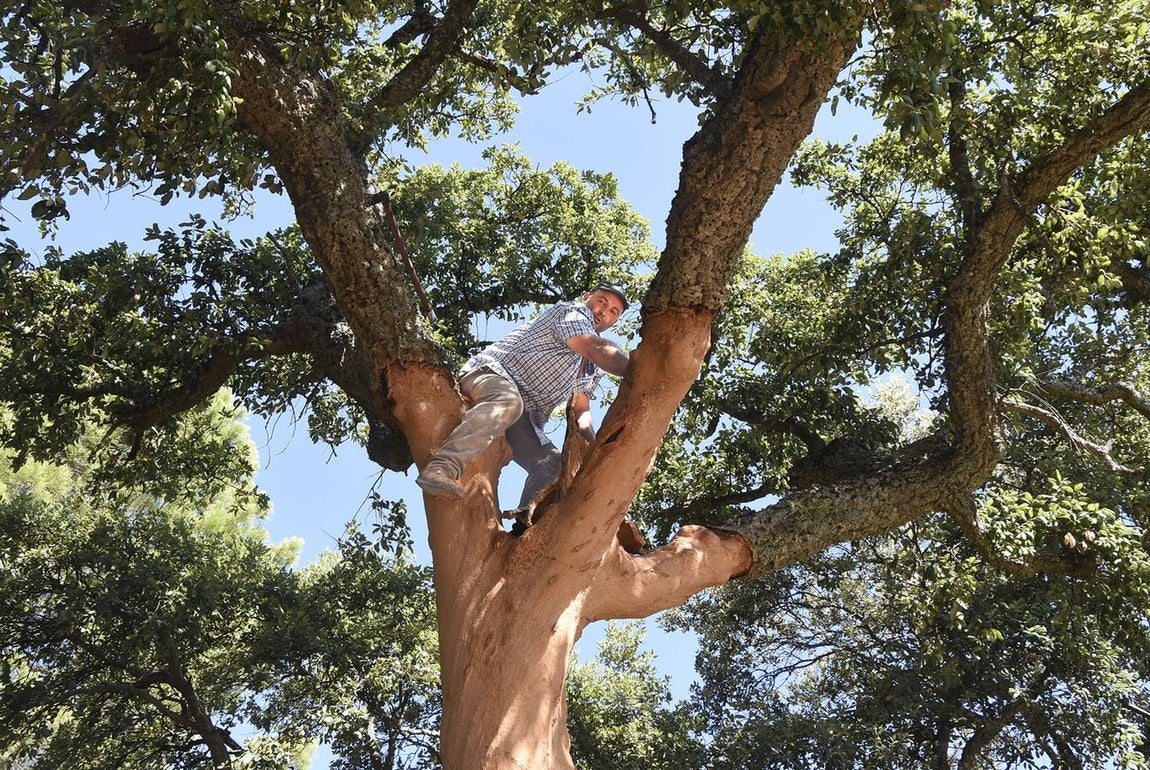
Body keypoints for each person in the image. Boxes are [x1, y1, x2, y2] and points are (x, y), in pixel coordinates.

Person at [416, 283, 631, 509]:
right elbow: (595, 347)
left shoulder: (592, 365)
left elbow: (581, 410)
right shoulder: (572, 312)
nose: (603, 312)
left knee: (553, 467)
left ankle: (526, 524)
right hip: (491, 375)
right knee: (508, 401)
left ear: (615, 320)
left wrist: (595, 449)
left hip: (525, 417)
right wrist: (637, 368)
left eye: (613, 311)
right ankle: (442, 467)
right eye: (602, 301)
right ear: (587, 297)